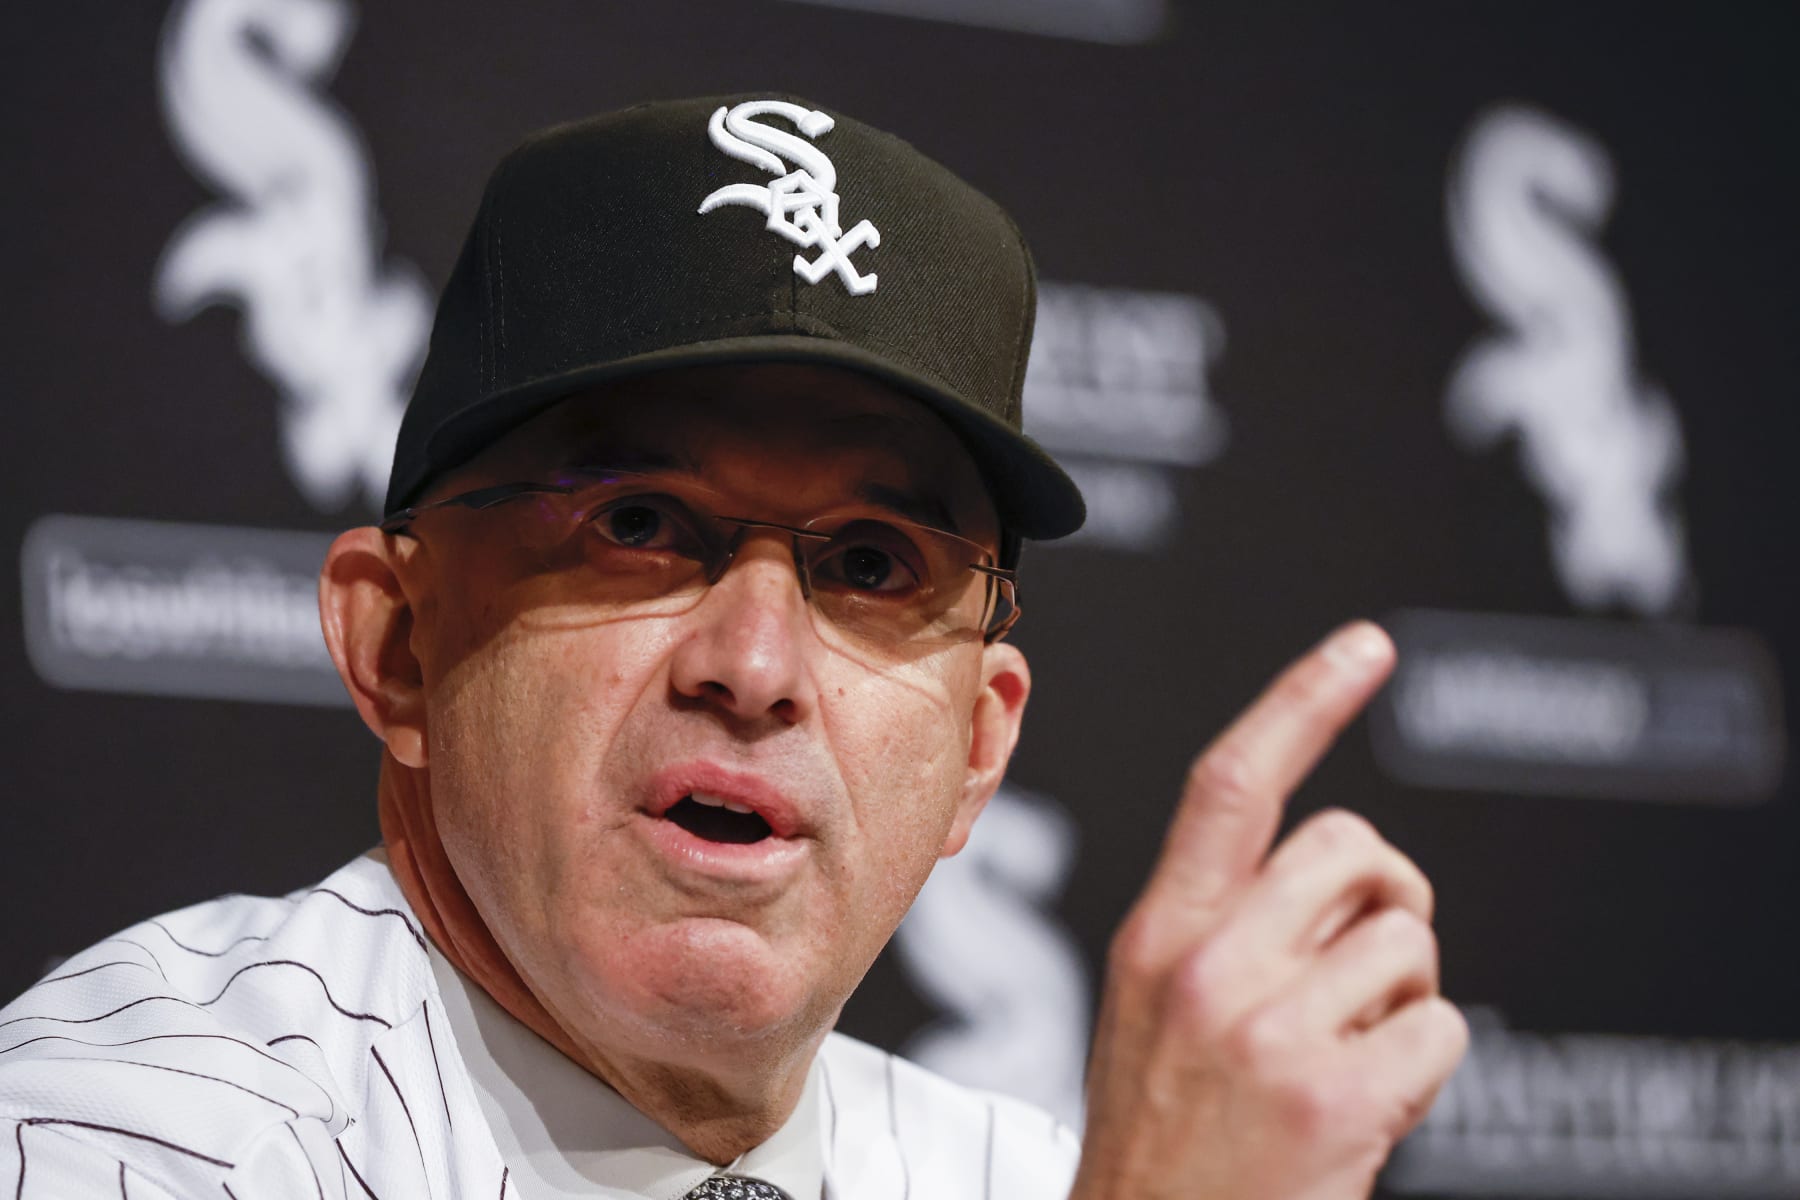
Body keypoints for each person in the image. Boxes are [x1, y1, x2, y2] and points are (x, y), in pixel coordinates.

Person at [0, 95, 1466, 1200]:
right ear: (396, 648)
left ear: (977, 748)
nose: (754, 664)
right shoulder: (130, 1138)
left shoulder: (1020, 1179)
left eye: (873, 563)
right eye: (639, 521)